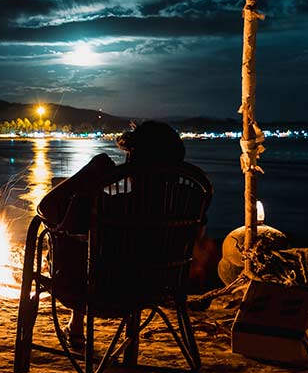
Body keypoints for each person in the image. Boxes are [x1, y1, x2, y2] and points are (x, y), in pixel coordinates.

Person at [36, 120, 204, 344]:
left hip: (103, 290)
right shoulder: (191, 199)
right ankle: (78, 325)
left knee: (72, 245)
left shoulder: (110, 206)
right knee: (100, 250)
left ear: (132, 160)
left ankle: (76, 326)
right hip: (161, 287)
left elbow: (45, 208)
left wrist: (88, 173)